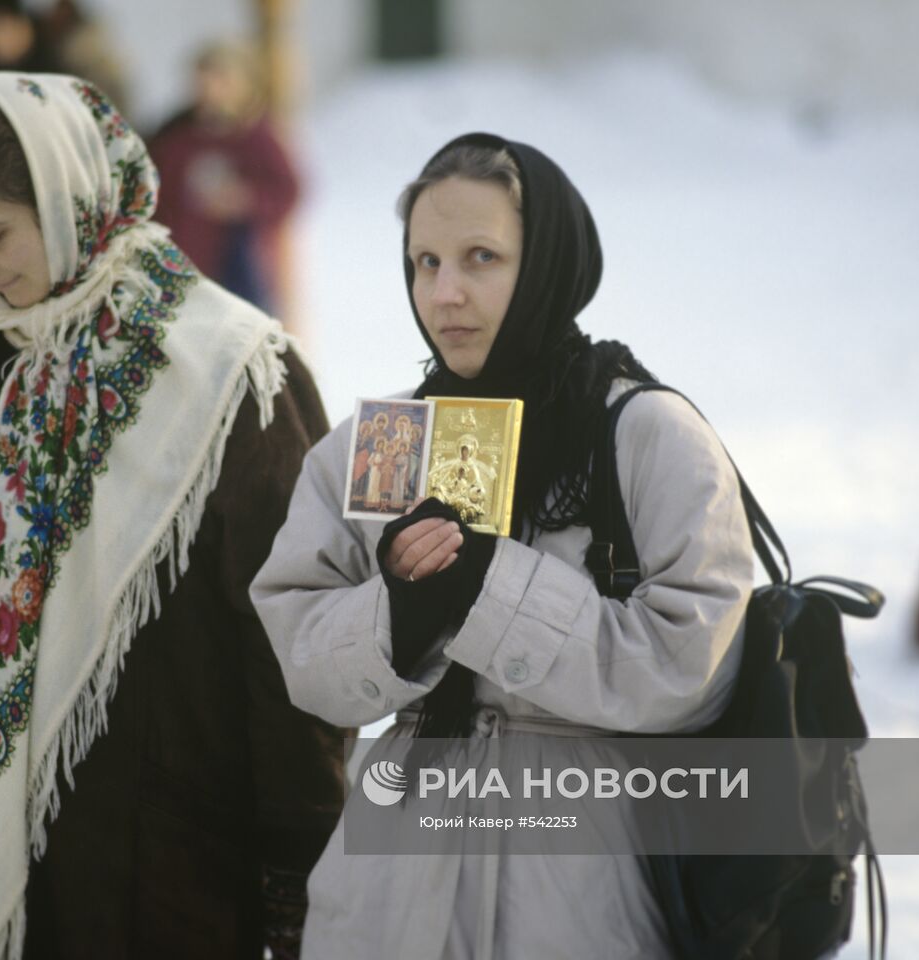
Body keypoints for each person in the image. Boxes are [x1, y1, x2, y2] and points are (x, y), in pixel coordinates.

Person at [0, 72, 346, 960]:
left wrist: (300, 871)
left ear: (72, 200)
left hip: (178, 885)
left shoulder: (231, 372)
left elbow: (295, 642)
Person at [250, 133, 757, 958]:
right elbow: (298, 648)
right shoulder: (383, 445)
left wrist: (491, 587)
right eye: (424, 262)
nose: (444, 293)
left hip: (580, 882)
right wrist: (399, 621)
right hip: (386, 889)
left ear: (551, 260)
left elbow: (692, 668)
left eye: (480, 257)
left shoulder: (644, 434)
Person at [148, 41, 300, 314]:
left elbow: (288, 191)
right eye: (203, 80)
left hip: (237, 271)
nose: (210, 90)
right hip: (179, 266)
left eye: (221, 80)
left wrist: (246, 200)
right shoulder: (175, 135)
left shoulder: (256, 137)